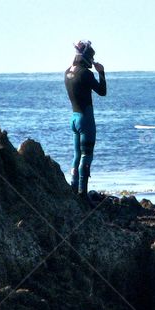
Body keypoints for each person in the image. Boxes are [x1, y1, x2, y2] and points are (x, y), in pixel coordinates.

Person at [64, 40, 106, 199]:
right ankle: (82, 194)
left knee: (76, 155)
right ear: (88, 57)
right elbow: (102, 91)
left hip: (74, 119)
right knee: (86, 156)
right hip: (85, 119)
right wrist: (101, 72)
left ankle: (73, 189)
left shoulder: (67, 72)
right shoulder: (86, 74)